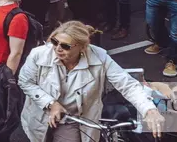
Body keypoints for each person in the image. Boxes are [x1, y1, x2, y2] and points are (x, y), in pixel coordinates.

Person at [19, 20, 164, 142]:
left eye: (65, 46)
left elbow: (127, 85)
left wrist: (149, 110)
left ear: (82, 47)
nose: (57, 48)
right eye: (54, 42)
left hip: (74, 120)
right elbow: (25, 82)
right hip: (39, 116)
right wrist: (51, 103)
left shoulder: (100, 58)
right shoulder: (39, 55)